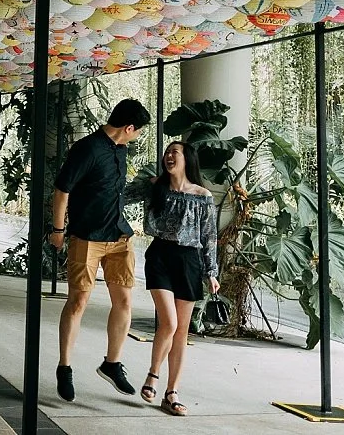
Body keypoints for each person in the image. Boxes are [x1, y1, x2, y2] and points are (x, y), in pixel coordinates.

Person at [49, 97, 152, 402]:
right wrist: (58, 229)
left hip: (119, 239)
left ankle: (112, 363)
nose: (137, 137)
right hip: (87, 238)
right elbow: (62, 189)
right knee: (78, 302)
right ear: (129, 127)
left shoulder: (121, 150)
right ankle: (64, 368)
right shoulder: (87, 148)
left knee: (124, 303)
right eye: (138, 132)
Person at [139, 141, 219, 417]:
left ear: (187, 160)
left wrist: (211, 272)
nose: (169, 156)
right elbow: (142, 216)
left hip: (190, 261)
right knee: (169, 322)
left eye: (175, 152)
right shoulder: (156, 187)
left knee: (181, 331)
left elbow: (209, 236)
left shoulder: (202, 195)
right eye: (167, 152)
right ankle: (153, 375)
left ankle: (171, 393)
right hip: (160, 255)